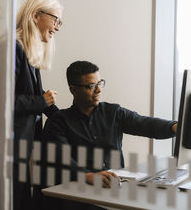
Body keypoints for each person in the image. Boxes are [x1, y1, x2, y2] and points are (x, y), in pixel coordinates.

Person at [40, 60, 177, 210]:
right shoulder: (59, 121)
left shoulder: (113, 112)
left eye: (100, 83)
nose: (98, 90)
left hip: (116, 191)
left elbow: (144, 124)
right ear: (73, 90)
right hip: (80, 196)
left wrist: (174, 127)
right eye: (91, 86)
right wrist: (87, 176)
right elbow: (61, 159)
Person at [13, 0, 64, 210]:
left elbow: (35, 94)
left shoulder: (27, 51)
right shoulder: (12, 47)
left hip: (21, 147)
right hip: (8, 146)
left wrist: (62, 118)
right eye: (56, 20)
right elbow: (3, 101)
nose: (58, 27)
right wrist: (41, 102)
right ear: (36, 16)